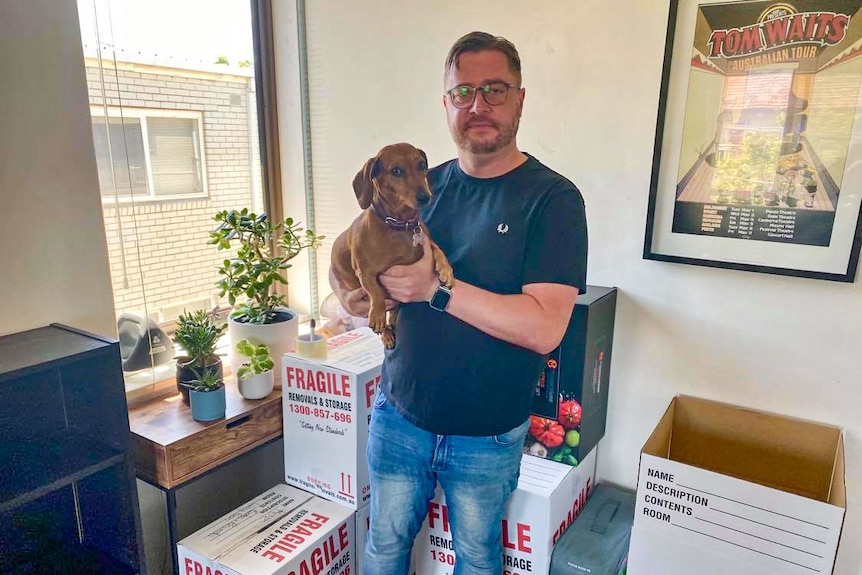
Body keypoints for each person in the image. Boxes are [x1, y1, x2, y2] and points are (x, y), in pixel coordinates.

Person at [330, 31, 588, 575]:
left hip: (488, 434)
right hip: (398, 414)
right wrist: (350, 298)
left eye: (494, 90)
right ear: (446, 104)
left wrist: (436, 290)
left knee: (475, 556)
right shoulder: (423, 189)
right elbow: (353, 257)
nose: (478, 105)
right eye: (463, 91)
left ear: (520, 98)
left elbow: (545, 329)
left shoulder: (553, 199)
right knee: (382, 547)